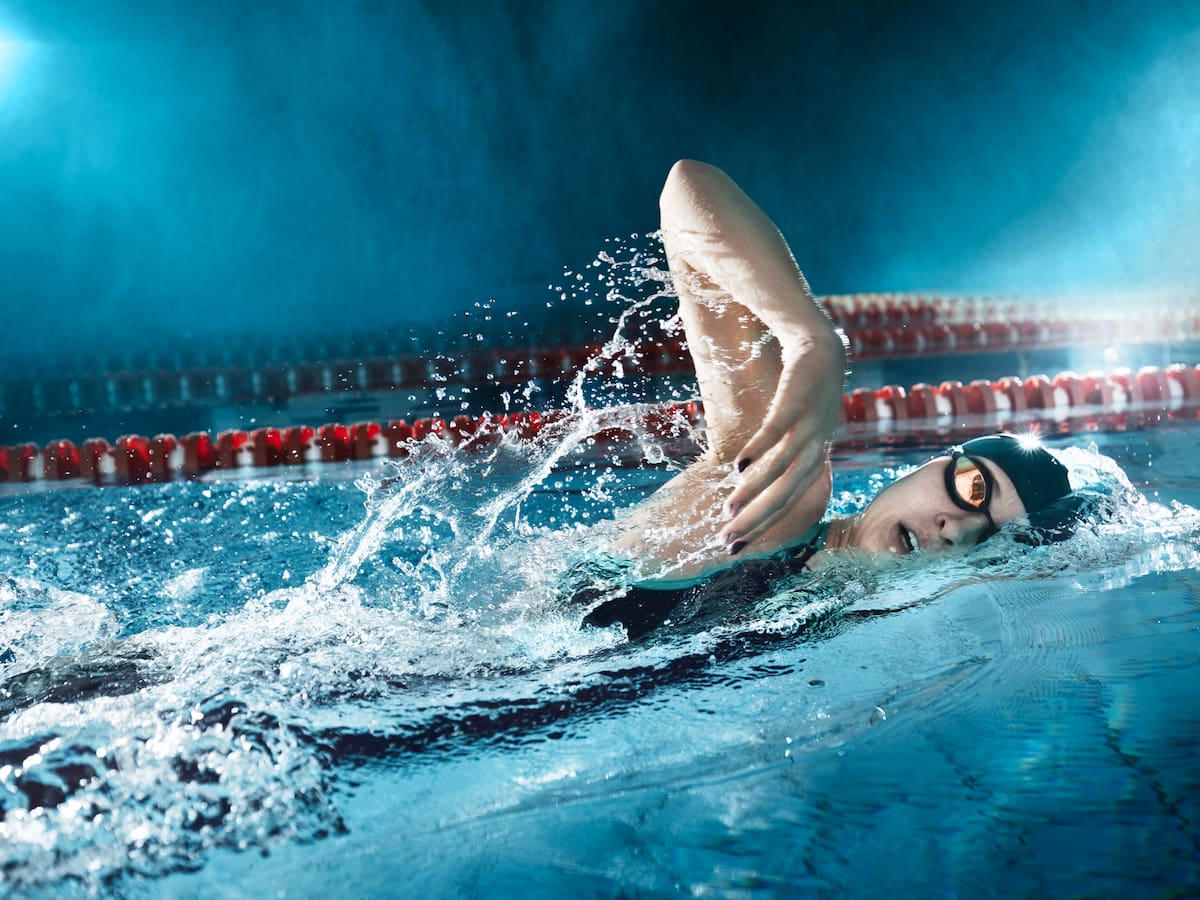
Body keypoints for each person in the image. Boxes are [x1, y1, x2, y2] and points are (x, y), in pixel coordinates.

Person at [582, 160, 1076, 635]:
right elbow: (687, 188)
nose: (959, 530)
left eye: (995, 541)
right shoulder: (780, 496)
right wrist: (813, 339)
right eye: (974, 489)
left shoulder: (839, 608)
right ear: (929, 464)